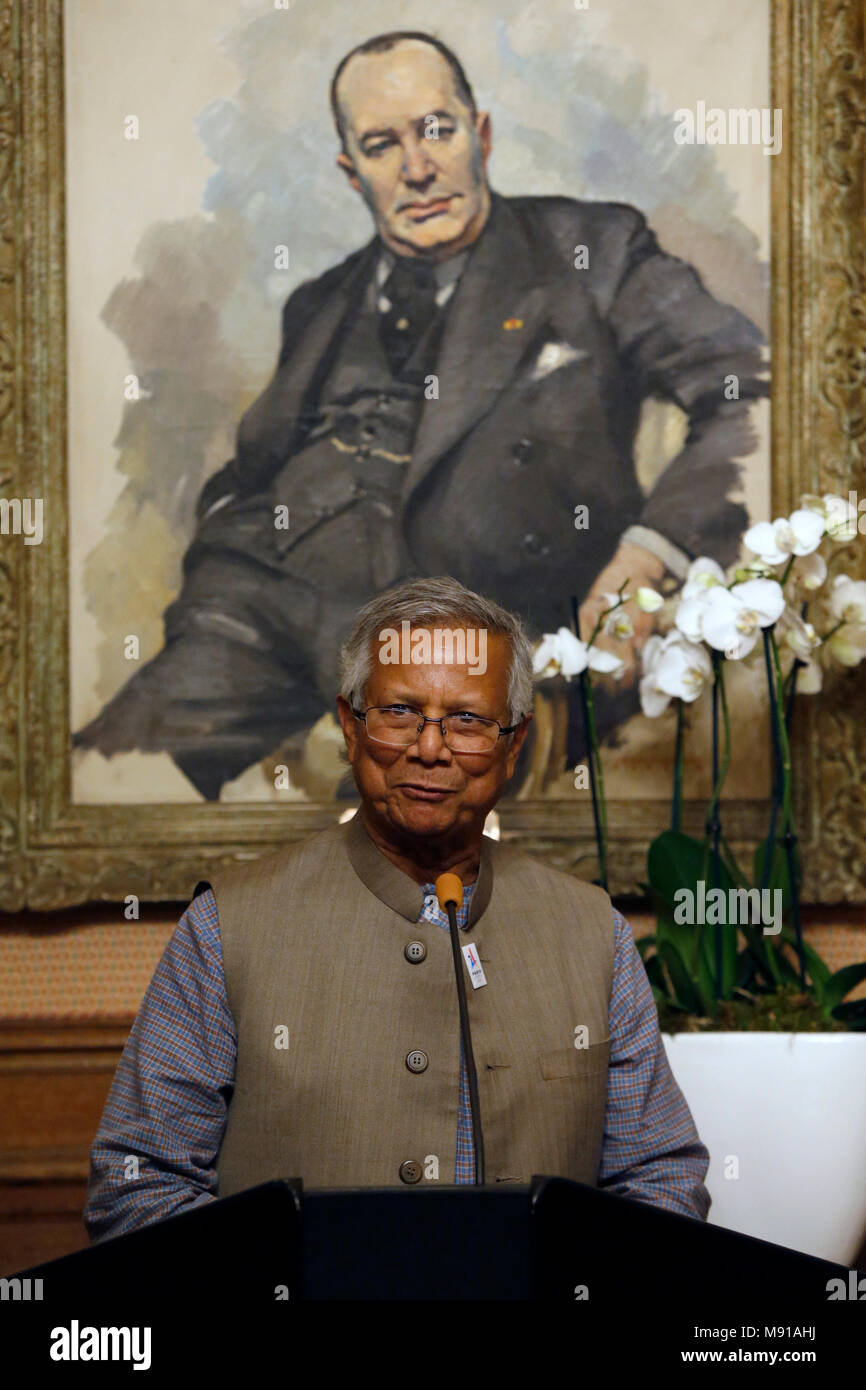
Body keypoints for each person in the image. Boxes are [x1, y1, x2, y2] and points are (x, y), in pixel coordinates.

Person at [72, 29, 767, 799]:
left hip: (465, 638)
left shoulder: (595, 249)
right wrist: (221, 573)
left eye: (437, 129)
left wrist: (643, 561)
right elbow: (254, 472)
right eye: (381, 144)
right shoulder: (319, 302)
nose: (418, 167)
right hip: (248, 623)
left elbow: (749, 385)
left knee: (389, 876)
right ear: (351, 172)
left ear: (483, 135)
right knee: (102, 783)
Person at [83, 576, 710, 1241]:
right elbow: (138, 1182)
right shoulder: (226, 930)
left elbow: (658, 1176)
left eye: (467, 720)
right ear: (350, 727)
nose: (431, 748)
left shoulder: (592, 935)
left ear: (513, 745)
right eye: (400, 713)